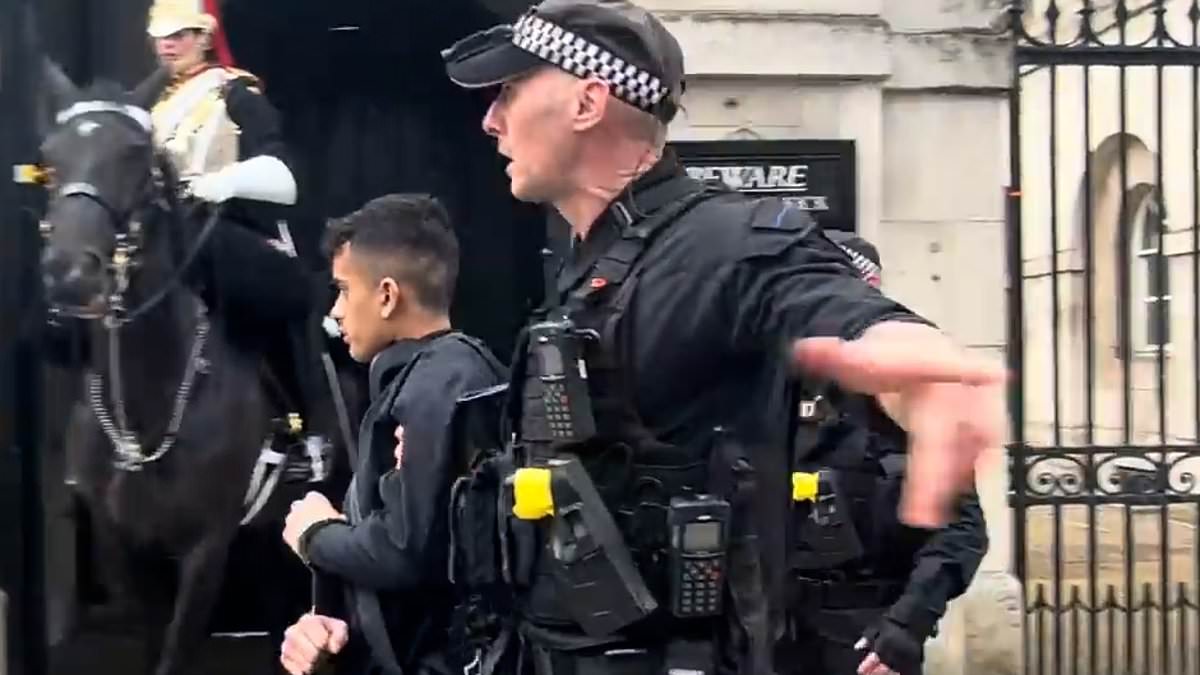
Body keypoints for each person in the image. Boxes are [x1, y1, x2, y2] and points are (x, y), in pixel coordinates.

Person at [437, 1, 1005, 674]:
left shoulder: (724, 245)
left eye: (510, 90)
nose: (491, 119)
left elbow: (836, 305)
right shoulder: (589, 266)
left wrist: (923, 374)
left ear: (588, 102)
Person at [278, 194, 509, 675]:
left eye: (343, 290)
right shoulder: (445, 373)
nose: (336, 311)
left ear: (386, 295)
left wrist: (315, 534)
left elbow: (405, 552)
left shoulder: (436, 384)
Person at [780, 230, 988, 675]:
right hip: (776, 633)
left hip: (866, 633)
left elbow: (962, 531)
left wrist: (905, 627)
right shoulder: (779, 384)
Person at [143, 0, 331, 460]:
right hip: (163, 230)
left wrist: (216, 183)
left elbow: (281, 172)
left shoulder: (234, 94)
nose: (169, 44)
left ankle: (302, 425)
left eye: (181, 33)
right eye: (162, 35)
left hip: (223, 227)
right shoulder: (150, 104)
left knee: (268, 290)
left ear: (204, 36)